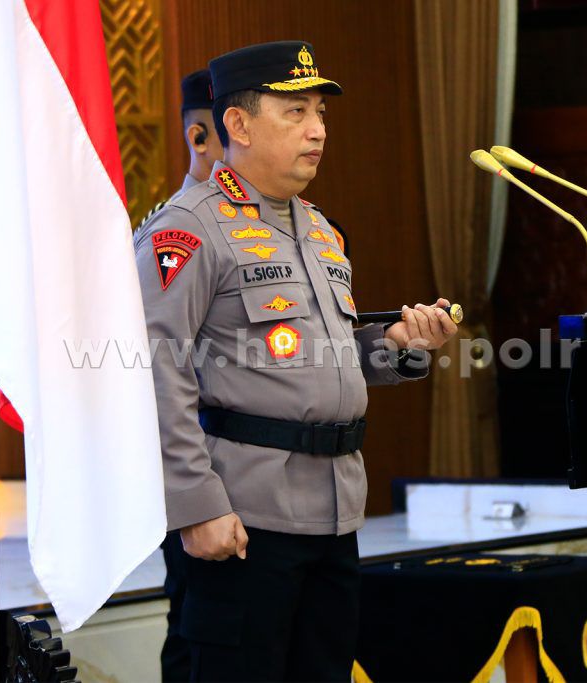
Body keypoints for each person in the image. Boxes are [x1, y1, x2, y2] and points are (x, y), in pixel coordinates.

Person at [134, 41, 458, 681]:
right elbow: (153, 371)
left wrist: (399, 346)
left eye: (320, 113)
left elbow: (319, 358)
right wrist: (196, 506)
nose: (318, 131)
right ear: (238, 123)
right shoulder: (189, 229)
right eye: (296, 112)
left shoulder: (318, 229)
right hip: (243, 518)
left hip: (334, 513)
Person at [154, 67, 223, 683]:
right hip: (198, 466)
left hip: (276, 484)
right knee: (196, 638)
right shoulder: (170, 231)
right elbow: (157, 363)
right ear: (199, 137)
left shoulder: (300, 226)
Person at [140, 68, 224, 231]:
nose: (245, 141)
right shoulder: (170, 222)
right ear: (199, 139)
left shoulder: (259, 210)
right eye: (233, 131)